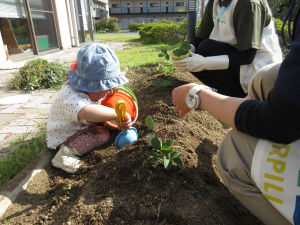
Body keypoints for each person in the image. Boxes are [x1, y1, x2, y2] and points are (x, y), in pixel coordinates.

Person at [172, 2, 300, 224]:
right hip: (258, 75)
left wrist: (199, 96)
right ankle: (238, 103)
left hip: (253, 64)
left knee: (232, 152)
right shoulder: (215, 2)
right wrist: (190, 51)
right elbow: (201, 41)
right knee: (210, 51)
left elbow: (276, 122)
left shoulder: (248, 4)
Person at [46, 43, 132, 173]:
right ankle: (64, 155)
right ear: (86, 85)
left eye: (107, 88)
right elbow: (87, 111)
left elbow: (96, 98)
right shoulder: (71, 97)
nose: (104, 93)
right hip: (64, 137)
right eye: (99, 90)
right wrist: (115, 114)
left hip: (78, 126)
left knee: (101, 123)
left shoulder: (85, 89)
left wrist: (107, 89)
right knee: (102, 134)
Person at [172, 0, 282, 98]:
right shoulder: (215, 2)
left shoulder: (247, 4)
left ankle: (239, 96)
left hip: (258, 69)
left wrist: (204, 63)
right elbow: (200, 38)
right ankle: (228, 92)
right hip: (236, 61)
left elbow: (247, 56)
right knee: (198, 54)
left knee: (206, 49)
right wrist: (187, 50)